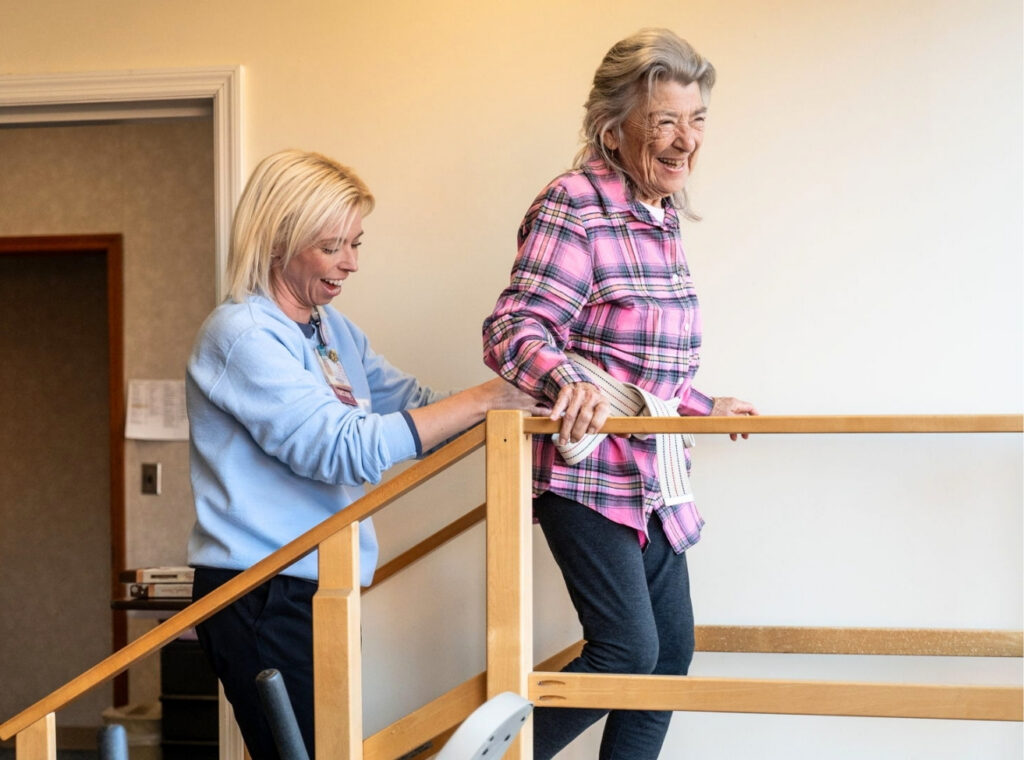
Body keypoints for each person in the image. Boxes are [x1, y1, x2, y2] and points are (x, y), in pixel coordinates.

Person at [186, 149, 548, 760]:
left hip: (320, 582)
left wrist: (526, 399)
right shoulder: (242, 335)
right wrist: (488, 399)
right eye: (332, 246)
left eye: (355, 243)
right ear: (278, 241)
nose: (351, 263)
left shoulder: (329, 330)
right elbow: (342, 448)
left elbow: (418, 407)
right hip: (260, 591)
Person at [482, 29, 757, 759]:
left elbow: (639, 364)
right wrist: (564, 378)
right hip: (587, 473)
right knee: (627, 652)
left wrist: (701, 405)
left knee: (669, 658)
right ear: (614, 129)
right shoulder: (574, 204)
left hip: (653, 471)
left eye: (696, 120)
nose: (685, 141)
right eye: (665, 121)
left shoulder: (661, 215)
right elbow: (513, 328)